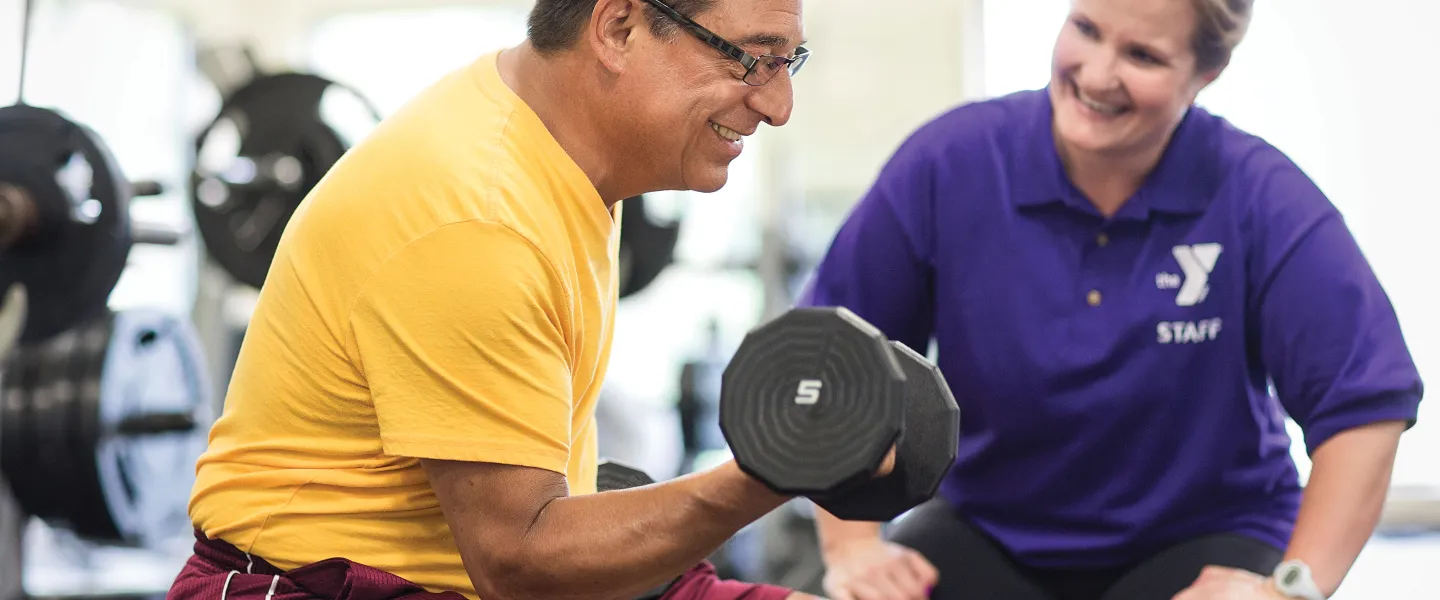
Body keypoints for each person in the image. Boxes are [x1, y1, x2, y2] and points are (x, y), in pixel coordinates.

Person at [166, 0, 827, 599]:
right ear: (619, 29)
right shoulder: (479, 215)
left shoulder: (559, 148)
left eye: (787, 61)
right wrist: (772, 471)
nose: (779, 106)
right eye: (752, 59)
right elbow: (521, 564)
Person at [798, 1, 1424, 599]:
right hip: (990, 530)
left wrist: (1291, 589)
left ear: (1206, 72)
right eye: (1086, 29)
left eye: (1142, 56)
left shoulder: (1259, 194)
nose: (1097, 75)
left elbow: (1363, 404)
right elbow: (837, 353)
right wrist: (853, 546)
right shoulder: (951, 164)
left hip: (1206, 535)